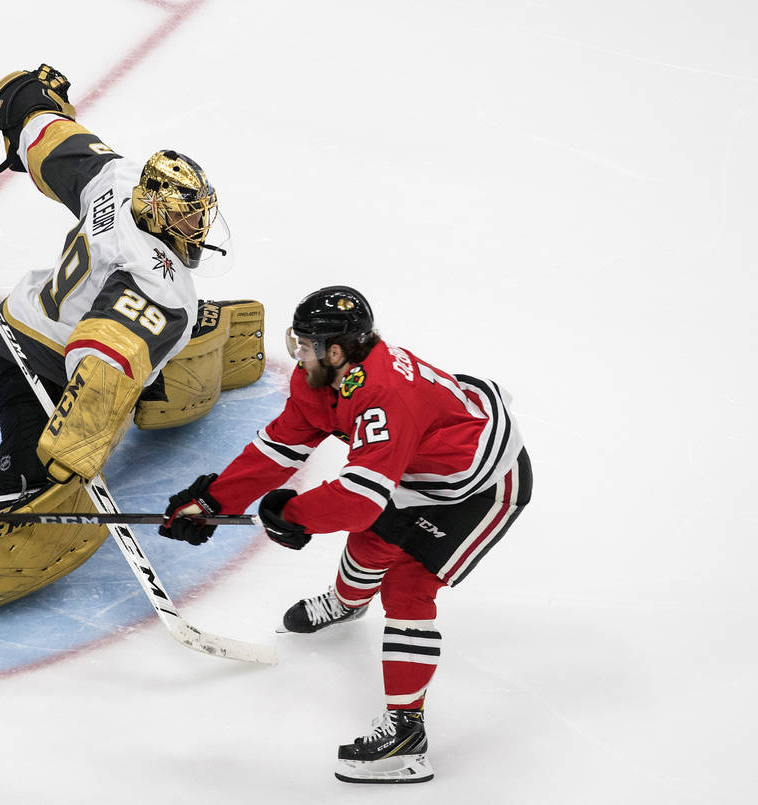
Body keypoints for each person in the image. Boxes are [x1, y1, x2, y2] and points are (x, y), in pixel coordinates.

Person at [0, 64, 265, 654]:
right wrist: (75, 447)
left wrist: (28, 104)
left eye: (200, 213)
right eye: (186, 216)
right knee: (37, 495)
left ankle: (187, 369)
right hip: (38, 365)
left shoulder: (116, 180)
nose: (197, 227)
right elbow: (105, 357)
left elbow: (53, 140)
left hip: (34, 318)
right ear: (156, 211)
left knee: (173, 340)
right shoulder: (157, 286)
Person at [161, 285, 532, 784]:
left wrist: (294, 511)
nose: (298, 353)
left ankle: (406, 739)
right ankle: (348, 603)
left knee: (407, 586)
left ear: (336, 351)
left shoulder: (382, 393)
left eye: (306, 345)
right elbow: (282, 445)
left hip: (478, 487)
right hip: (416, 469)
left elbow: (358, 500)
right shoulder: (325, 377)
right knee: (368, 544)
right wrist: (213, 501)